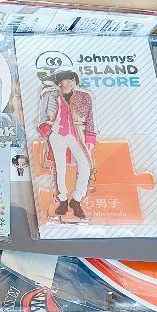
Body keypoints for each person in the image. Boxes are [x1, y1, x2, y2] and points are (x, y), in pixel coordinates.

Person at [37, 70, 96, 220]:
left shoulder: (84, 97)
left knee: (86, 166)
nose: (69, 82)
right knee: (59, 167)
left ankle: (77, 199)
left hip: (77, 135)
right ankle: (62, 199)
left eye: (72, 79)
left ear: (76, 81)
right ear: (60, 82)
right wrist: (48, 133)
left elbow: (90, 118)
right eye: (66, 79)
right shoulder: (50, 95)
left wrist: (90, 138)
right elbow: (42, 117)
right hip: (57, 134)